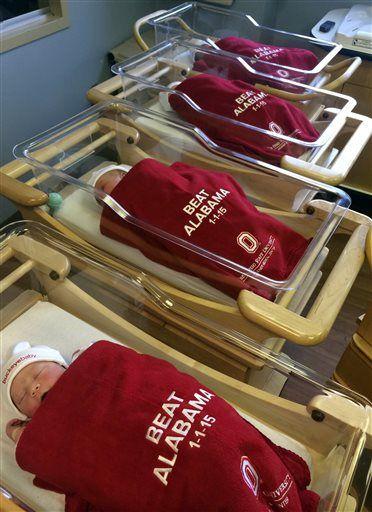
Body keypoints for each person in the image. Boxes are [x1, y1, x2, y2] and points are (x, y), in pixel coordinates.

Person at [2, 340, 319, 511]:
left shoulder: (99, 367)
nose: (31, 388)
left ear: (65, 365)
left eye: (38, 371)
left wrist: (92, 361)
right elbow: (46, 451)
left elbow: (137, 373)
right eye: (20, 395)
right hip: (145, 464)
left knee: (219, 453)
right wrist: (20, 434)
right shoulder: (43, 431)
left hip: (199, 432)